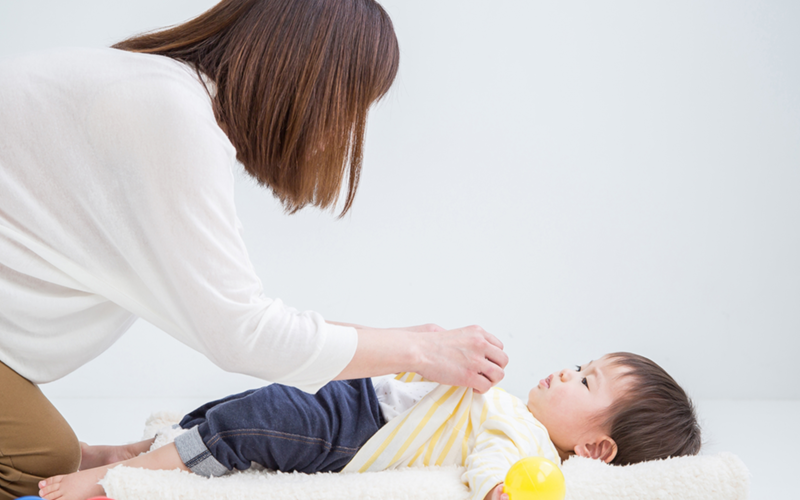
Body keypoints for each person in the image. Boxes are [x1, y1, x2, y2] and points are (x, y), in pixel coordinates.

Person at [0, 1, 508, 498]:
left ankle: (83, 455)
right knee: (39, 463)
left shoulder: (151, 88)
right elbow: (242, 333)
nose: (342, 133)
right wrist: (419, 351)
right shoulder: (172, 119)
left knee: (55, 455)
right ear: (310, 85)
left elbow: (233, 311)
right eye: (350, 108)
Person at [38, 352, 701, 500]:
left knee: (247, 425)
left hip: (353, 435)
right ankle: (127, 447)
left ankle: (111, 477)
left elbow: (489, 463)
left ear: (595, 446)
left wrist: (501, 491)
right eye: (580, 364)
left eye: (585, 383)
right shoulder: (515, 407)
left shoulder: (527, 443)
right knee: (235, 407)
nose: (565, 372)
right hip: (360, 399)